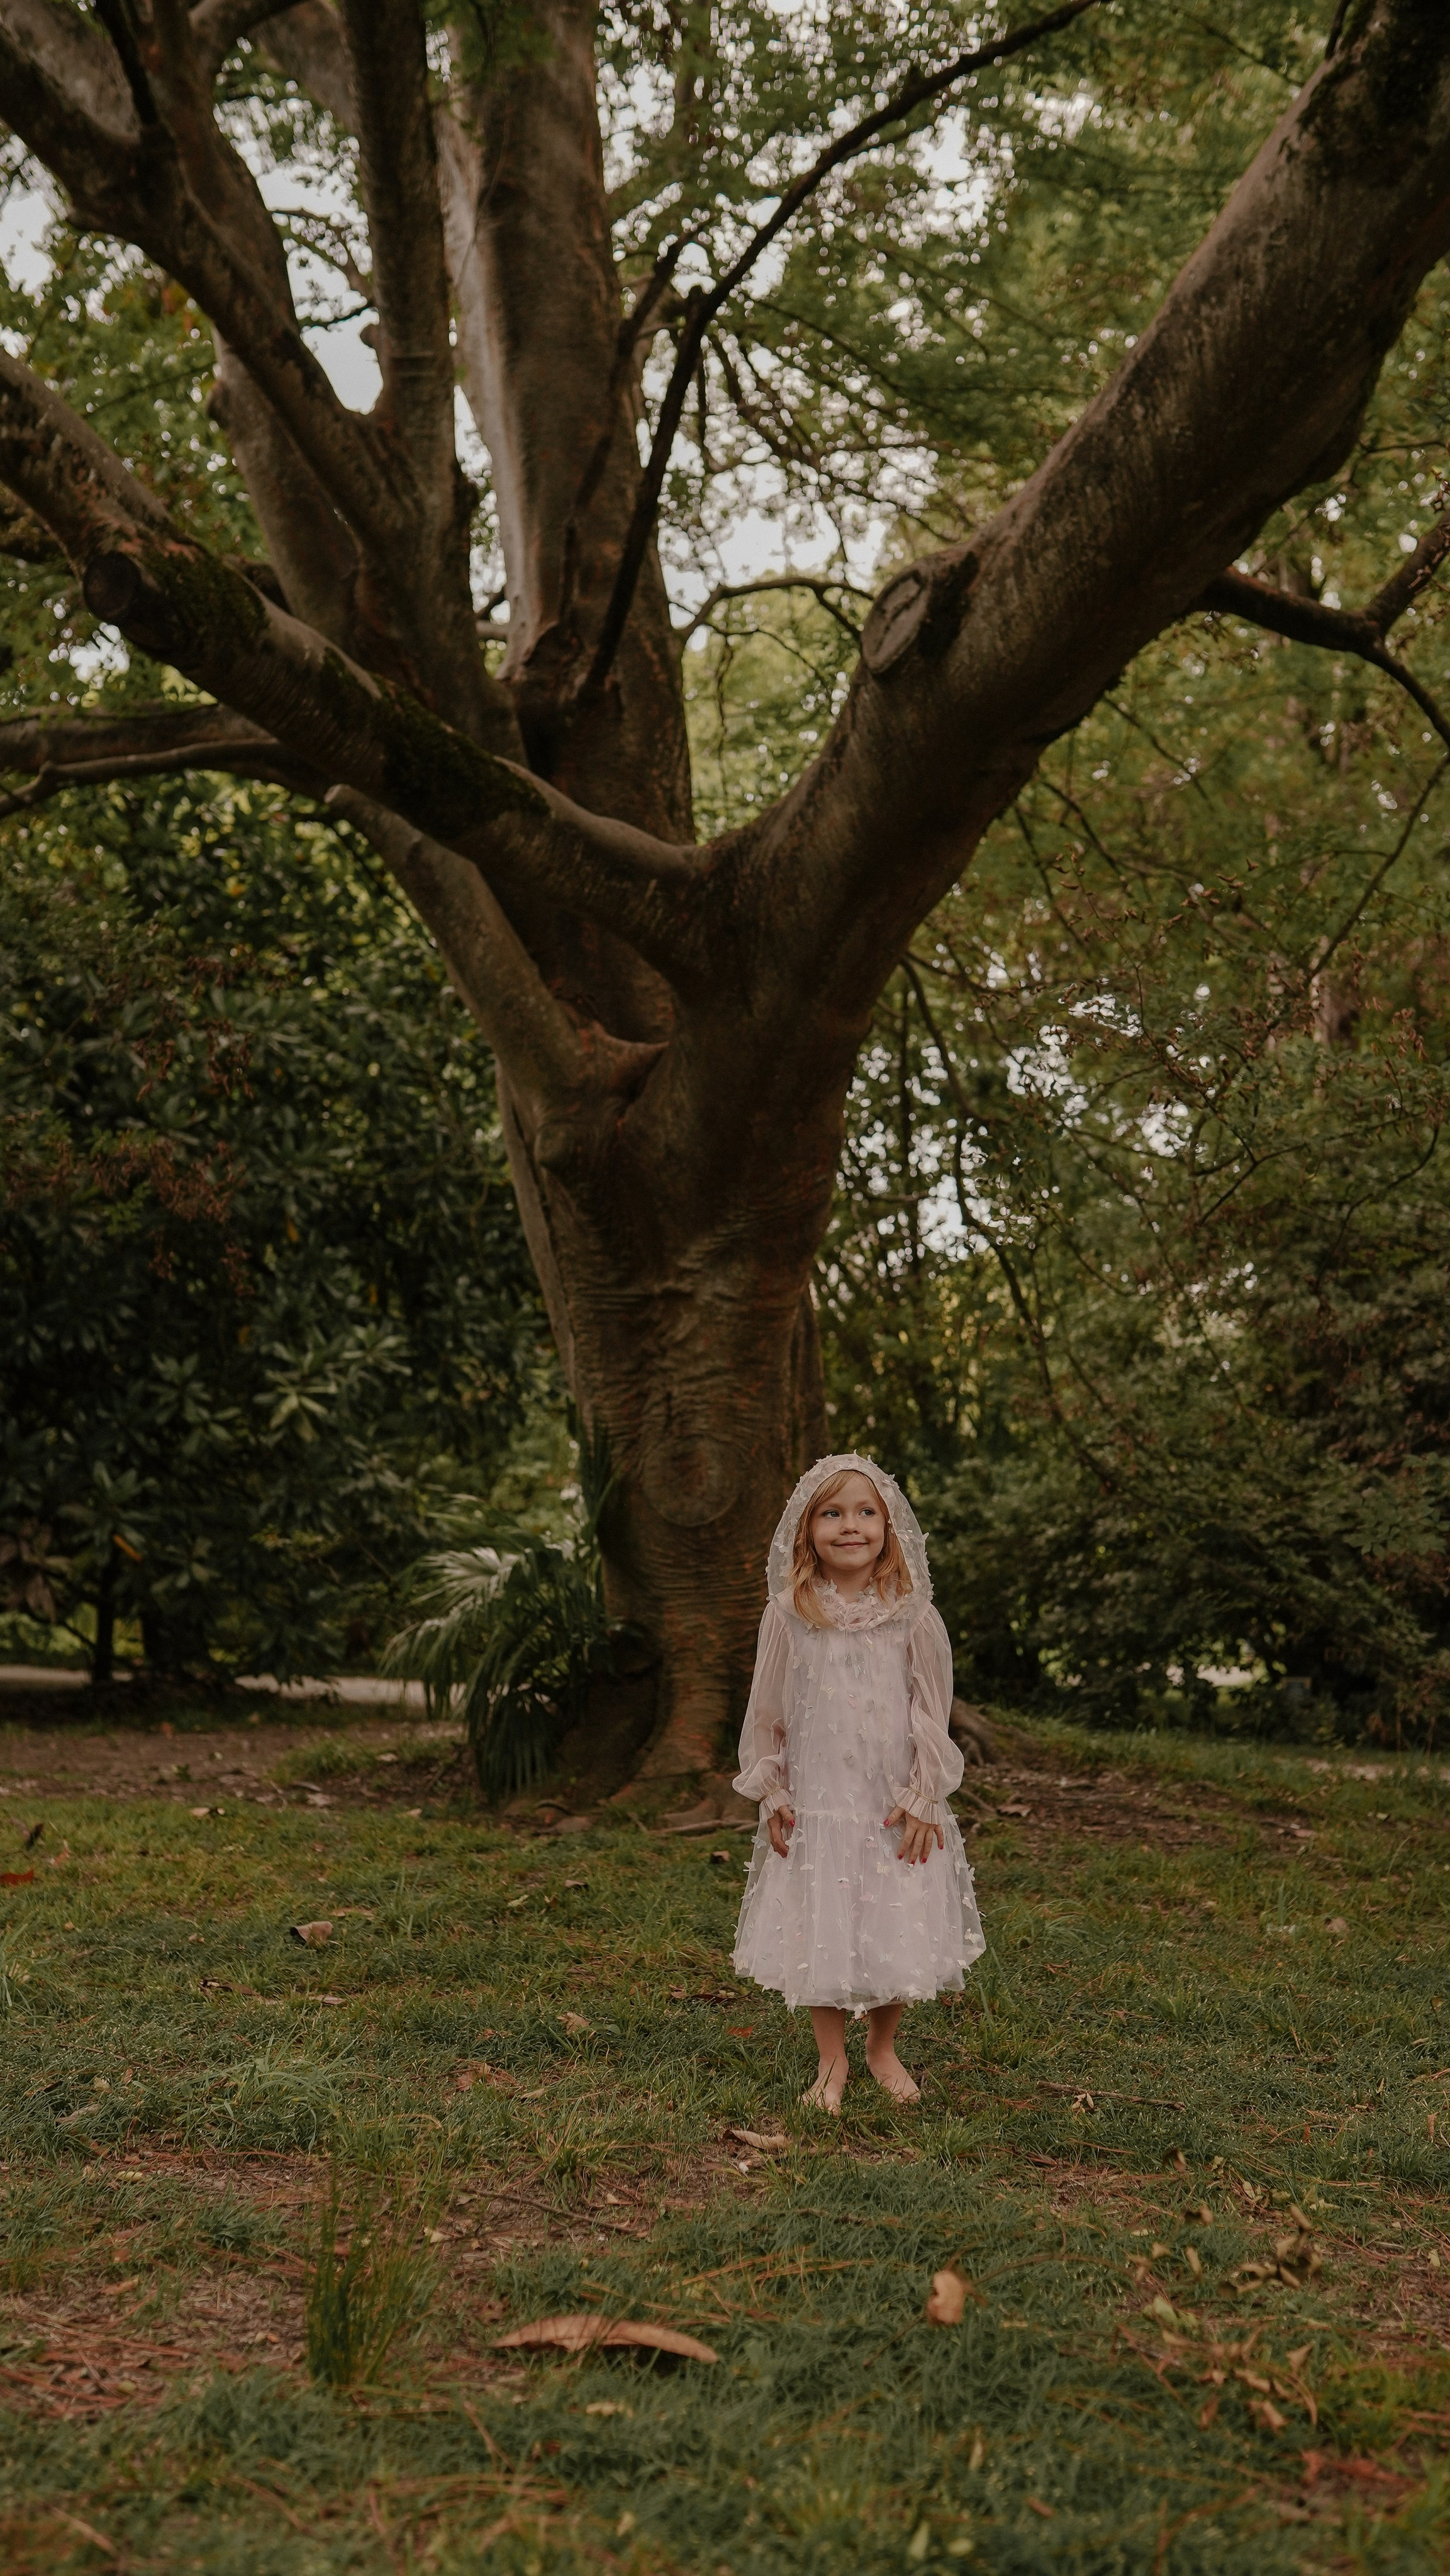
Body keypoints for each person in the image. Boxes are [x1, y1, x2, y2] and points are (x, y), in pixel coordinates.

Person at [732, 1452, 984, 2112]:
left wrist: (926, 1793)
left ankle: (880, 2045)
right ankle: (831, 2059)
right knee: (824, 1927)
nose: (851, 1526)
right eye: (833, 1513)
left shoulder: (911, 1615)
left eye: (866, 1512)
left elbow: (932, 1708)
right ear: (807, 1528)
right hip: (819, 1804)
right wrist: (773, 1790)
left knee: (892, 1923)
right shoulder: (789, 1613)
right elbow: (767, 1711)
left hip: (889, 1805)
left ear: (889, 1526)